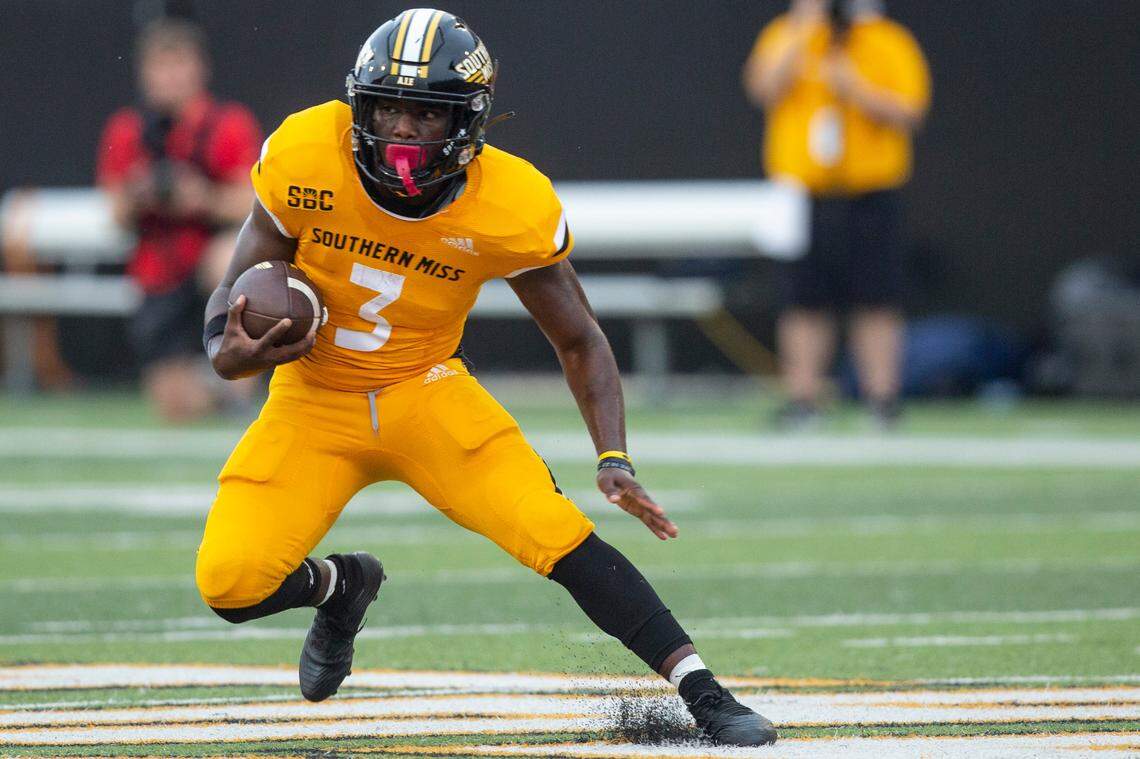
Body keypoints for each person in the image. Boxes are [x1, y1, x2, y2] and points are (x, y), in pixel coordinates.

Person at [193, 8, 776, 747]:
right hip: (313, 400)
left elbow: (579, 337)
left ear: (466, 122)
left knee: (553, 530)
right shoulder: (308, 153)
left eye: (425, 114)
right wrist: (224, 347)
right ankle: (343, 587)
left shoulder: (506, 203)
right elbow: (236, 283)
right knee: (230, 580)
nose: (402, 131)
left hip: (424, 391)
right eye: (388, 109)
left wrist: (614, 455)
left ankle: (706, 694)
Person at [743, 0, 931, 429]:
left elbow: (911, 110)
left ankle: (882, 401)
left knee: (876, 298)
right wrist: (802, 30)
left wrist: (856, 89)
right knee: (803, 299)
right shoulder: (786, 32)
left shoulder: (886, 39)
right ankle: (803, 400)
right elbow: (763, 89)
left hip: (869, 190)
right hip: (802, 192)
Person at [97, 17, 262, 422]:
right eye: (160, 66)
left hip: (212, 261)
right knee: (173, 407)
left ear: (199, 69)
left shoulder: (228, 123)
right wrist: (138, 193)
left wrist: (201, 197)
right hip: (159, 271)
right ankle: (217, 395)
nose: (169, 77)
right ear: (144, 73)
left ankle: (240, 387)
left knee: (229, 258)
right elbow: (114, 212)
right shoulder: (127, 129)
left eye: (178, 64)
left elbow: (255, 202)